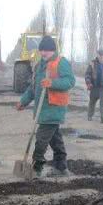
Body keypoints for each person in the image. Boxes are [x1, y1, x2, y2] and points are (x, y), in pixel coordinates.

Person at [16, 36, 76, 177]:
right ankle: (61, 167)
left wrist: (52, 83)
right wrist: (23, 101)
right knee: (55, 140)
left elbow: (70, 81)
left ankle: (37, 168)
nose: (43, 53)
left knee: (41, 139)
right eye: (41, 50)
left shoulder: (61, 62)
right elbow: (33, 88)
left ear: (53, 50)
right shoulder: (38, 66)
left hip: (53, 109)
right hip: (42, 111)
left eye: (46, 51)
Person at [84, 49, 103, 123]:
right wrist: (88, 83)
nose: (101, 56)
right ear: (97, 55)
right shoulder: (92, 63)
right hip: (94, 88)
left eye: (102, 55)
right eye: (100, 55)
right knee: (92, 103)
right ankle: (89, 116)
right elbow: (87, 74)